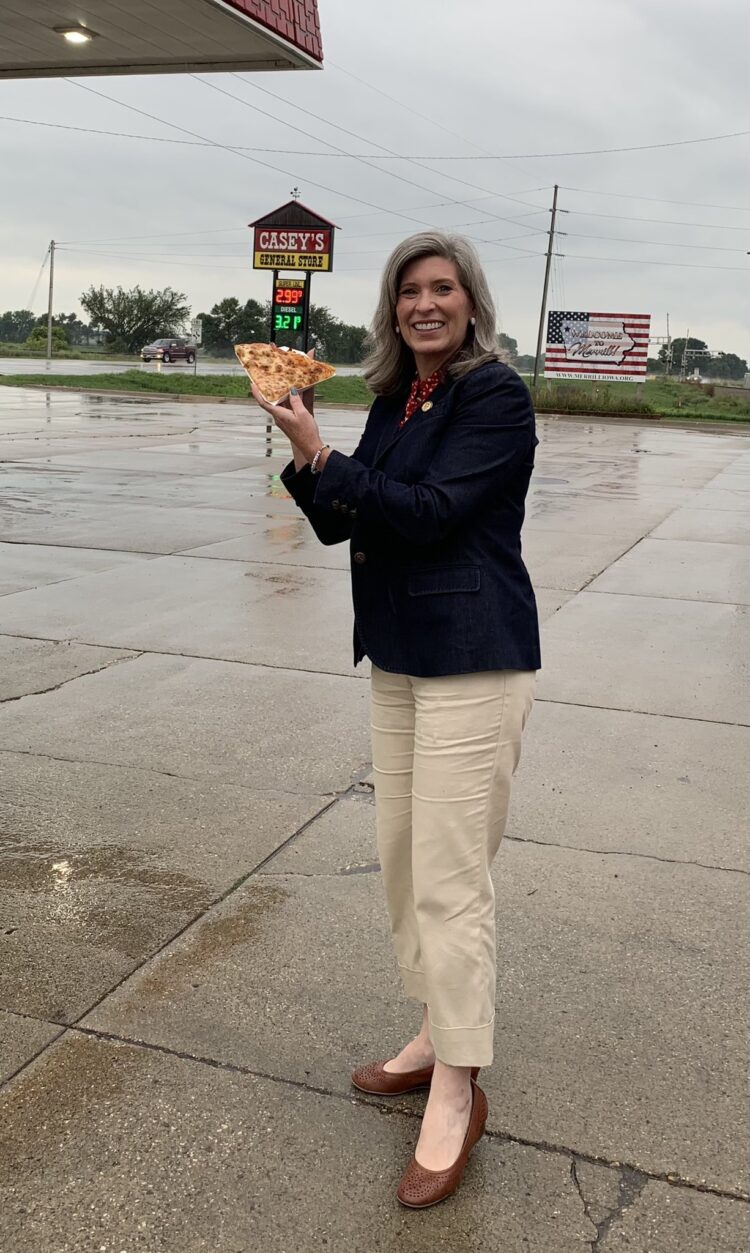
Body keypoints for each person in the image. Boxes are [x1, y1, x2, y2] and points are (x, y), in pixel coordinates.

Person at [251, 231, 540, 1209]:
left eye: (442, 288)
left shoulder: (491, 396)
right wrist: (303, 445)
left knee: (454, 876)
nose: (425, 303)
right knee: (407, 860)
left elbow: (425, 511)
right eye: (409, 289)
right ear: (392, 306)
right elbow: (346, 519)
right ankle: (432, 1028)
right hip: (402, 660)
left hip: (473, 657)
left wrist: (321, 453)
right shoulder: (393, 397)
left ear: (469, 302)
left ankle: (460, 1081)